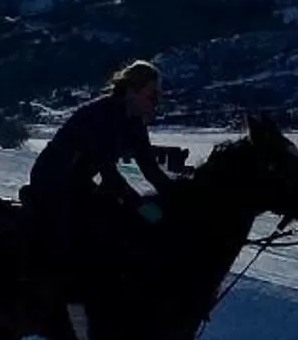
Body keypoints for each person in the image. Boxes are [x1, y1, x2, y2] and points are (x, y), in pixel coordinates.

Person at [22, 60, 182, 318]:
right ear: (131, 90)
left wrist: (180, 198)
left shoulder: (135, 123)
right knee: (66, 231)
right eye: (152, 95)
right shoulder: (100, 116)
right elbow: (110, 175)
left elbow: (151, 170)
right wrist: (144, 209)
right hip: (52, 177)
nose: (156, 102)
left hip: (78, 180)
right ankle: (45, 296)